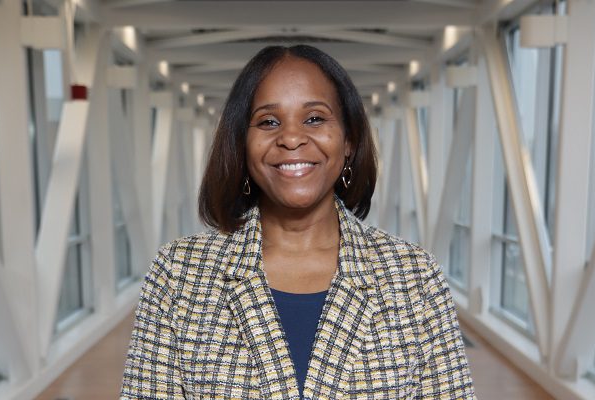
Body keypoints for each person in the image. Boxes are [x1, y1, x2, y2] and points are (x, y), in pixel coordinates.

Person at [121, 45, 475, 399]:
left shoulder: (414, 276)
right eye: (268, 122)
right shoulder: (178, 274)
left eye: (315, 118)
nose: (291, 138)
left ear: (349, 140)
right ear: (242, 143)